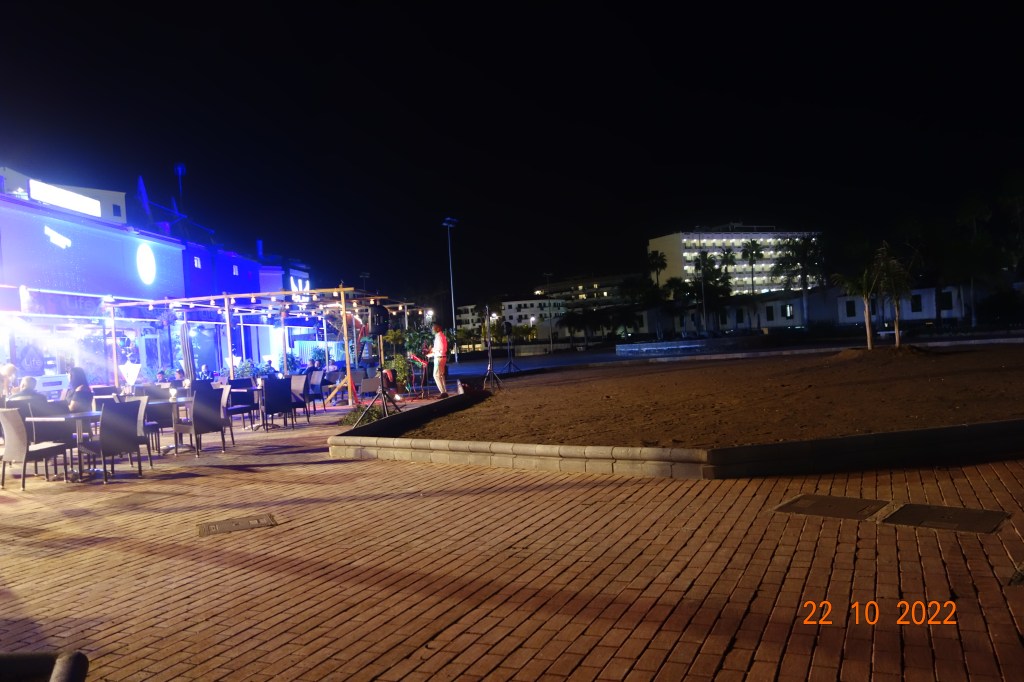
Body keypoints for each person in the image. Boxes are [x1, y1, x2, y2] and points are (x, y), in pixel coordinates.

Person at [426, 322, 448, 399]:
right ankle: (444, 392)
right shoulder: (441, 336)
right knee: (441, 375)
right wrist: (431, 351)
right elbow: (439, 349)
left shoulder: (439, 337)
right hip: (441, 357)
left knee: (436, 375)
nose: (432, 330)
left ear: (438, 328)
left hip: (439, 358)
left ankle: (443, 392)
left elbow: (440, 349)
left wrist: (430, 353)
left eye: (433, 328)